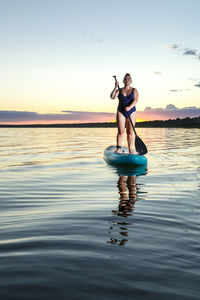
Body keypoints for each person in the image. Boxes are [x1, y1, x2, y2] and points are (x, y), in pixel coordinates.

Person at [110, 73, 139, 153]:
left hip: (131, 112)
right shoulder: (119, 90)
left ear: (131, 81)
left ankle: (130, 149)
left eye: (128, 79)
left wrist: (129, 107)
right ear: (123, 81)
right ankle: (118, 148)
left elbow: (135, 100)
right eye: (125, 79)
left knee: (130, 132)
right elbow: (112, 97)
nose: (127, 80)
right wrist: (115, 87)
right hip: (121, 111)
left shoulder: (134, 90)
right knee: (120, 131)